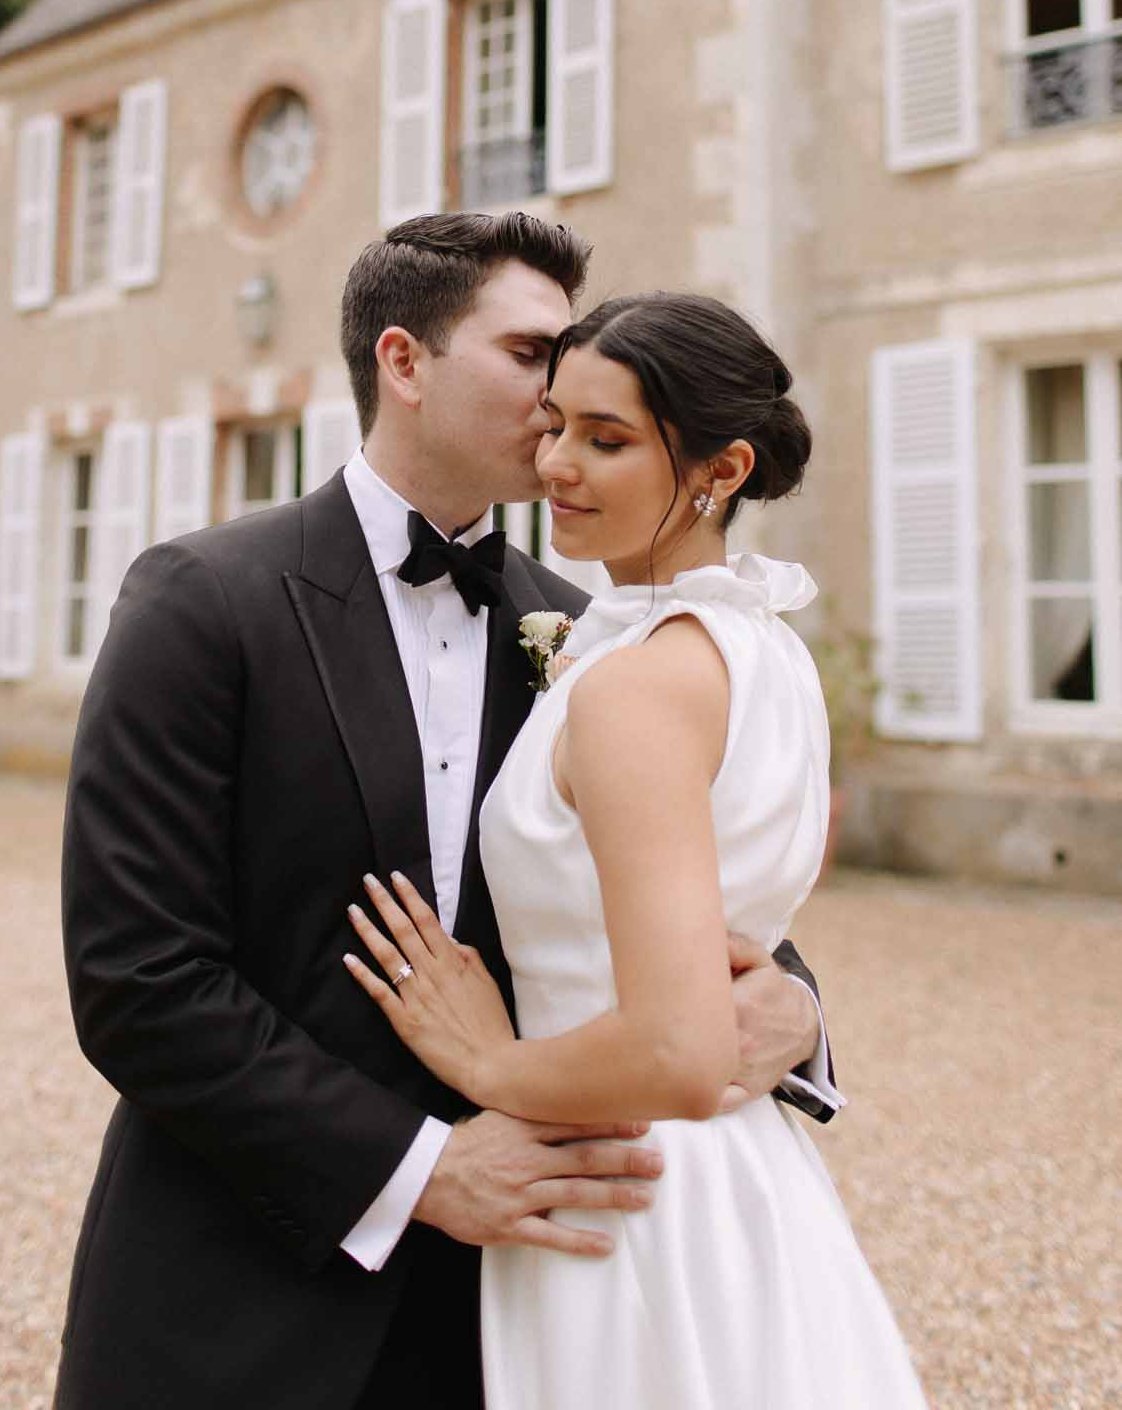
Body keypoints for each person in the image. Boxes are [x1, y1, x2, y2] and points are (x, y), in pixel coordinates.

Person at [53, 220, 836, 1410]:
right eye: (532, 354)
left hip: (530, 1295)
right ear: (405, 361)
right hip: (250, 1285)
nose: (560, 392)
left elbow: (663, 887)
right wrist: (420, 1167)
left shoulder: (595, 630)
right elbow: (138, 973)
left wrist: (795, 1008)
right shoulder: (203, 598)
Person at [345, 290, 928, 1410]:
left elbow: (676, 1044)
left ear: (720, 468)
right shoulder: (758, 648)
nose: (557, 461)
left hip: (626, 1191)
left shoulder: (637, 687)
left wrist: (488, 1066)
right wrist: (792, 1008)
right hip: (743, 1176)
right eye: (556, 422)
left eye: (606, 440)